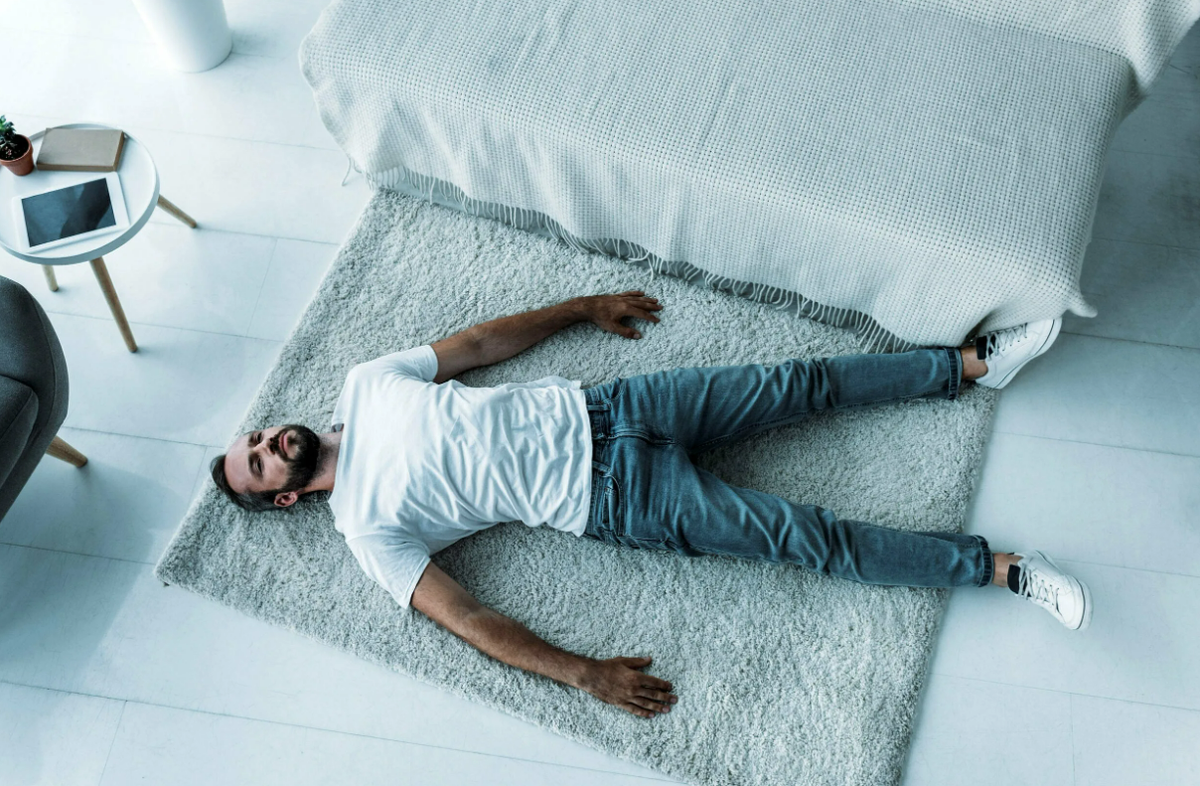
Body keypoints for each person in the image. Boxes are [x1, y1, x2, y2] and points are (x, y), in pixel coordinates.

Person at [212, 291, 1090, 720]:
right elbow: (469, 619)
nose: (266, 443)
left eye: (255, 437)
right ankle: (1001, 570)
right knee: (809, 539)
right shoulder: (366, 531)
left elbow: (476, 345)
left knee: (802, 383)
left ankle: (970, 365)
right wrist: (583, 673)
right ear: (284, 497)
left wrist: (581, 308)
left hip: (616, 407)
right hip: (616, 498)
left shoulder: (366, 384)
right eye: (257, 466)